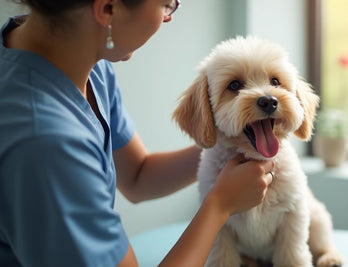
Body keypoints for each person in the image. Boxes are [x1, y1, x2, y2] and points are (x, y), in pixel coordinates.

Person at [0, 0, 275, 266]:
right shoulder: (44, 142)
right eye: (166, 4)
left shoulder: (87, 64)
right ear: (108, 8)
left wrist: (227, 145)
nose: (168, 17)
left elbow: (137, 176)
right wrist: (219, 205)